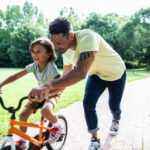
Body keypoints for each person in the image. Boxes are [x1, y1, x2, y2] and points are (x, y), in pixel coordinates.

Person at [28, 18, 126, 150]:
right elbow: (65, 78)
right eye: (54, 43)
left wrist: (46, 86)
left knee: (113, 106)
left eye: (59, 43)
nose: (56, 47)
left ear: (71, 36)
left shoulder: (88, 36)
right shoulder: (66, 51)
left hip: (116, 74)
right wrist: (47, 94)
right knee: (87, 103)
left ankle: (116, 119)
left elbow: (80, 73)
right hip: (96, 75)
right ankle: (95, 139)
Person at [0, 37, 62, 149]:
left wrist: (48, 94)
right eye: (33, 51)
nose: (34, 54)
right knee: (22, 115)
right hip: (38, 94)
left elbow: (61, 86)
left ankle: (58, 127)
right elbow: (16, 75)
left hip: (53, 93)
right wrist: (1, 85)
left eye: (38, 51)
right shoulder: (34, 65)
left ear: (48, 53)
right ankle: (22, 140)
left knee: (45, 110)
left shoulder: (51, 67)